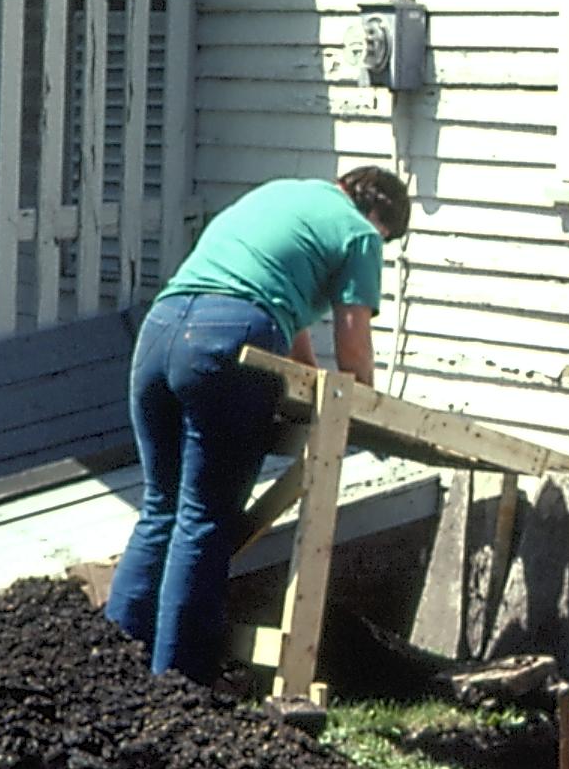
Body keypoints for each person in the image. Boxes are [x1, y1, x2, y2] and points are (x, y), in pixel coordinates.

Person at [104, 166, 412, 681]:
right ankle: (178, 682)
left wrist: (312, 383)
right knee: (204, 516)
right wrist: (369, 407)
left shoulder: (279, 196)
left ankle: (114, 663)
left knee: (161, 507)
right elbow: (353, 335)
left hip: (159, 333)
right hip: (228, 341)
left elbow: (282, 312)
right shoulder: (360, 234)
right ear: (380, 219)